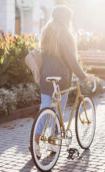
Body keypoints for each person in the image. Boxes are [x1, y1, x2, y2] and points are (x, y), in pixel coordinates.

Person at [34, 5, 94, 156]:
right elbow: (71, 59)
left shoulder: (47, 31)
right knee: (58, 112)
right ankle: (53, 143)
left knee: (46, 107)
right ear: (67, 19)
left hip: (45, 77)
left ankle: (35, 142)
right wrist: (83, 76)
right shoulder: (64, 34)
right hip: (61, 79)